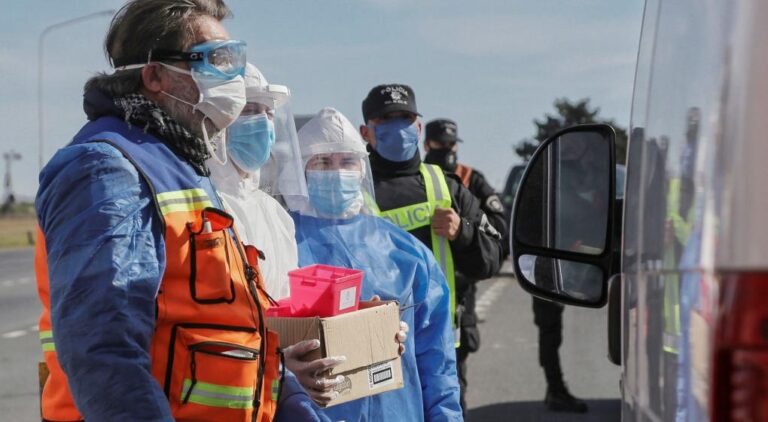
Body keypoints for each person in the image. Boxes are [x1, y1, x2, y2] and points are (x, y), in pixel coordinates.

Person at [34, 2, 287, 420]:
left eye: (234, 59)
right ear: (154, 75)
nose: (234, 78)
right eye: (215, 59)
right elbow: (103, 349)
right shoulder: (107, 168)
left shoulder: (183, 167)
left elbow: (233, 326)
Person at [288, 107, 463, 421]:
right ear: (301, 169)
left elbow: (437, 359)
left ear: (361, 168)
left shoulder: (405, 250)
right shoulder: (279, 243)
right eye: (324, 162)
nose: (337, 171)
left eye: (347, 162)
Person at [206, 63, 356, 412]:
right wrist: (277, 364)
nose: (261, 122)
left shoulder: (274, 214)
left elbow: (286, 310)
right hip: (227, 396)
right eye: (248, 110)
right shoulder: (204, 203)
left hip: (273, 395)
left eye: (267, 112)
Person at [422, 118, 507, 413]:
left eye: (451, 144)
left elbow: (498, 231)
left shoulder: (471, 179)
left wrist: (464, 229)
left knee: (454, 381)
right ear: (426, 144)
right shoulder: (415, 182)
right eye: (439, 144)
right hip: (420, 295)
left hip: (460, 290)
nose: (446, 149)